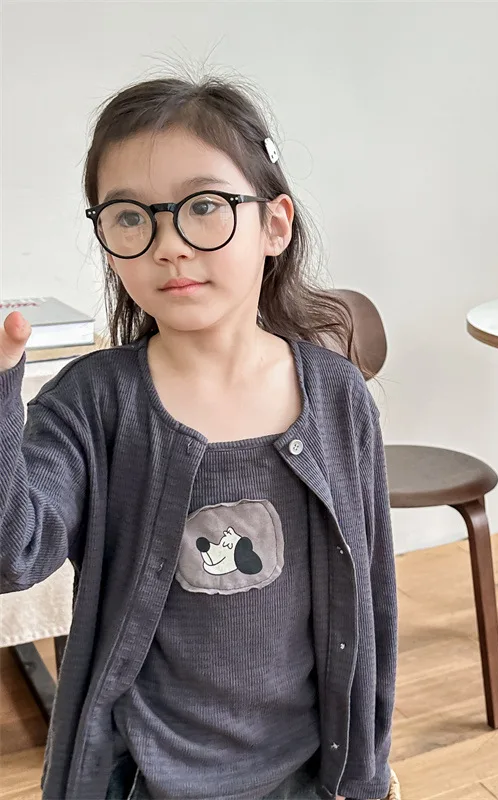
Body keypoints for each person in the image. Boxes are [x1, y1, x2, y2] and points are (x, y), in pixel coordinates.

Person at [0, 75, 398, 800]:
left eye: (205, 206)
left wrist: (365, 772)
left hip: (305, 775)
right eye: (131, 217)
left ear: (275, 224)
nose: (170, 246)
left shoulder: (339, 399)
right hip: (141, 780)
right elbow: (14, 553)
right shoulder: (93, 402)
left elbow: (372, 601)